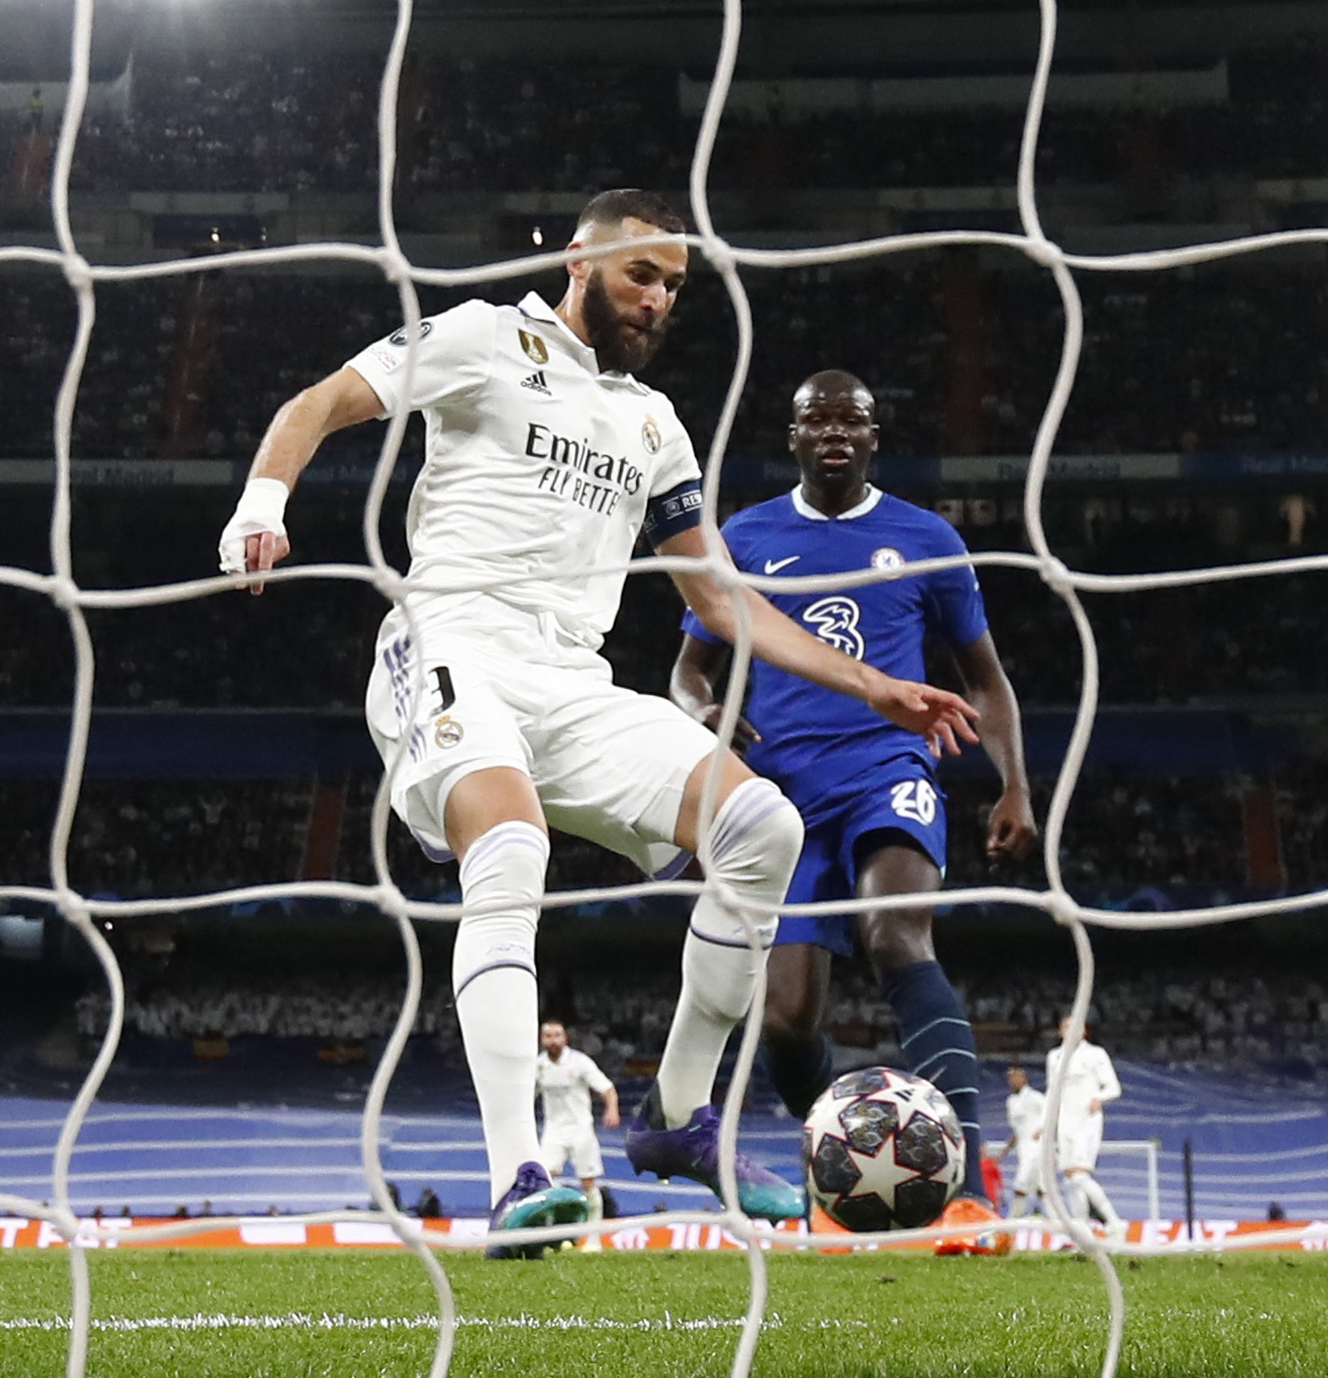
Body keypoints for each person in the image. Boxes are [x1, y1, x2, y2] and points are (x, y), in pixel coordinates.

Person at [218, 189, 973, 1253]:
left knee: (764, 829)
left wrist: (874, 686)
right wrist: (263, 504)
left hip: (571, 680)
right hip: (449, 643)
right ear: (582, 258)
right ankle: (515, 1173)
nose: (659, 299)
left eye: (673, 285)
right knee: (512, 844)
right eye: (642, 275)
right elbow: (317, 403)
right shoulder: (485, 336)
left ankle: (676, 1118)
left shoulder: (652, 422)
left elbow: (717, 598)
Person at [661, 370, 1033, 1240]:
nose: (834, 431)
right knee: (787, 1019)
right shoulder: (744, 539)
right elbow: (685, 673)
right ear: (790, 437)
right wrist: (704, 712)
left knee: (892, 929)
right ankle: (843, 1178)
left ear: (874, 437)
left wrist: (1015, 783)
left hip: (886, 764)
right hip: (780, 796)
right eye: (816, 419)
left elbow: (987, 678)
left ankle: (971, 1184)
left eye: (852, 420)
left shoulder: (927, 537)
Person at [532, 1020, 619, 1216]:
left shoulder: (580, 1062)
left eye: (557, 1035)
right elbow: (529, 1096)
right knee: (545, 1179)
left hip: (581, 1129)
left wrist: (611, 1109)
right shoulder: (539, 1066)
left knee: (587, 1182)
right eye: (548, 1036)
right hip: (553, 1130)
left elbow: (608, 1089)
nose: (553, 1040)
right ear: (542, 1040)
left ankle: (592, 1237)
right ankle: (553, 1230)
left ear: (565, 1038)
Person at [1047, 1016, 1123, 1226]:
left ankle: (1114, 1222)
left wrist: (1099, 1098)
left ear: (1084, 1031)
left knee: (1080, 1175)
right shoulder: (1054, 1057)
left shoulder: (1095, 1054)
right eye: (1067, 1027)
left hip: (1086, 1122)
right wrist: (1047, 1125)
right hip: (1064, 1122)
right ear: (1060, 1031)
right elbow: (1051, 1092)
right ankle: (1083, 1232)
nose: (1072, 1031)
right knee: (1070, 1178)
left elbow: (1113, 1088)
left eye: (1076, 1027)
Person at [1003, 1064, 1049, 1215]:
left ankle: (1011, 1223)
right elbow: (1017, 1130)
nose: (1013, 1081)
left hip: (1036, 1147)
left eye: (1016, 1077)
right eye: (1011, 1078)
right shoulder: (1011, 1101)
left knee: (1020, 1184)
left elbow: (1050, 1113)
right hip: (1023, 1149)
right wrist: (1005, 1151)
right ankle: (1054, 1221)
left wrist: (1041, 1129)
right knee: (1041, 1190)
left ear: (1024, 1079)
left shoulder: (1035, 1097)